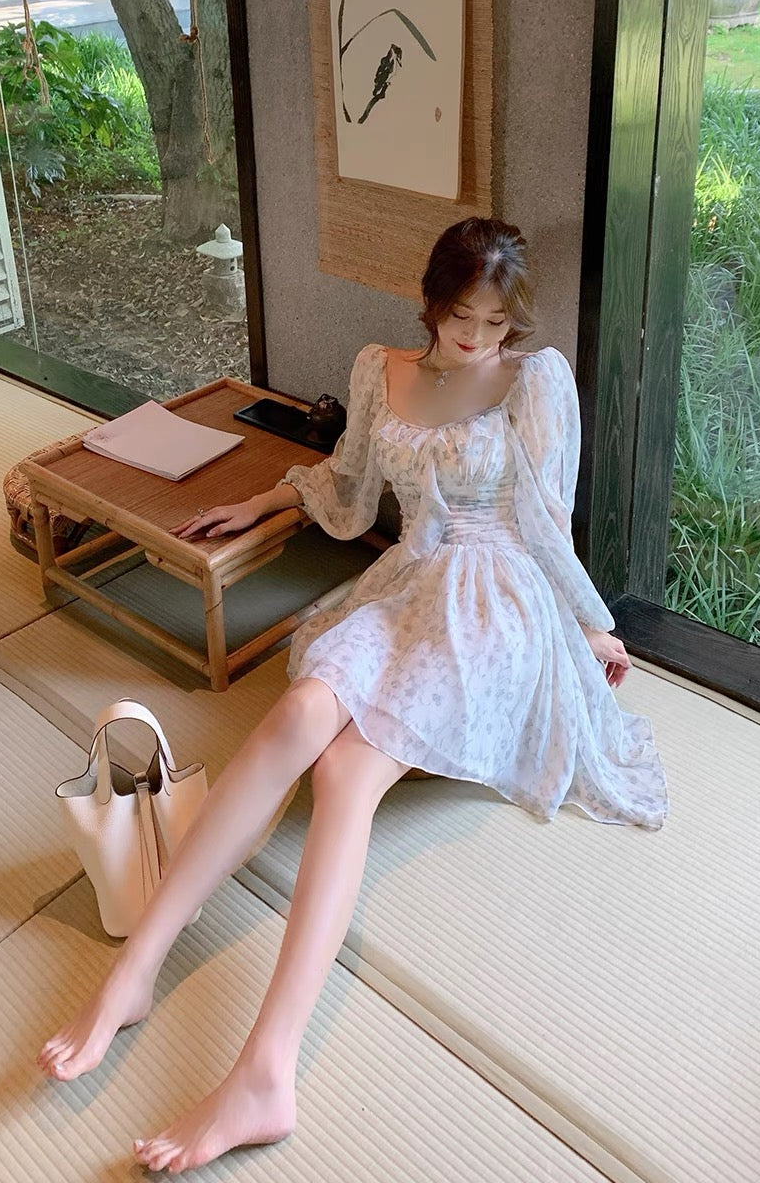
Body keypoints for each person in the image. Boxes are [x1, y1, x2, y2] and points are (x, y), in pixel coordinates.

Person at [37, 217, 668, 1173]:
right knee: (298, 712)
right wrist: (264, 500)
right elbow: (349, 487)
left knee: (343, 775)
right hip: (410, 583)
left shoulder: (536, 381)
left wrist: (585, 627)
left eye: (496, 322)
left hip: (499, 605)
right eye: (461, 317)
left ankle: (265, 1071)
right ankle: (135, 968)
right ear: (431, 303)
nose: (478, 338)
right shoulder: (379, 370)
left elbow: (547, 524)